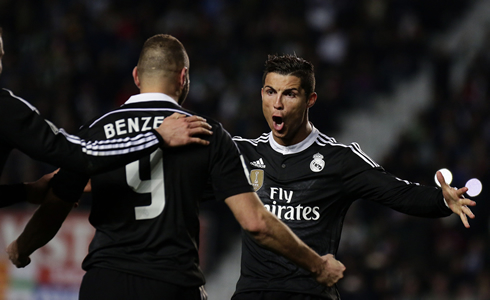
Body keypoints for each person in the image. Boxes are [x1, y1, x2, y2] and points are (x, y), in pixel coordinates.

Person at [7, 35, 345, 300]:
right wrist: (316, 264)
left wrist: (23, 247)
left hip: (104, 282)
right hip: (171, 284)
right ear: (183, 77)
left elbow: (57, 202)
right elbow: (256, 223)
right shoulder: (205, 133)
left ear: (137, 76)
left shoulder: (95, 133)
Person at [230, 54, 476, 300]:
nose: (277, 104)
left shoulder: (339, 160)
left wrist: (441, 201)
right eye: (271, 92)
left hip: (308, 294)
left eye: (290, 94)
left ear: (310, 100)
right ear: (262, 93)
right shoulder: (242, 153)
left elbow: (397, 191)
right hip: (253, 294)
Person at [0, 27, 212, 207]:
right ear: (183, 77)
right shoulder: (5, 108)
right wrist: (156, 136)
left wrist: (23, 194)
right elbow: (77, 154)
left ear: (136, 76)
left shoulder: (97, 126)